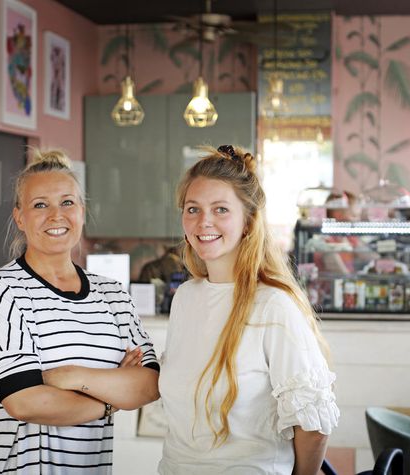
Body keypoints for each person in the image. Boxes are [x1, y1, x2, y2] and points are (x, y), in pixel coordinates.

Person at [0, 149, 160, 474]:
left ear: (82, 212)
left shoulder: (113, 295)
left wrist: (71, 377)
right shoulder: (0, 289)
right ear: (20, 217)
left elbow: (149, 386)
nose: (56, 215)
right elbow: (24, 401)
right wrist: (112, 398)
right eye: (40, 204)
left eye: (67, 202)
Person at [158, 145, 339, 474]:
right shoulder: (185, 297)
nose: (204, 222)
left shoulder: (274, 306)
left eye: (221, 209)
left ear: (248, 221)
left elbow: (313, 428)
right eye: (192, 209)